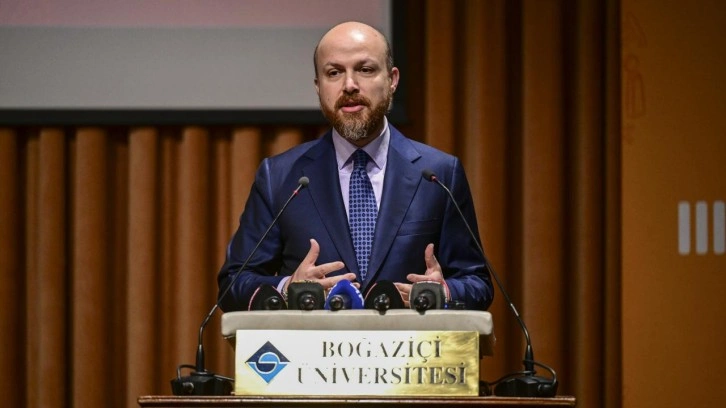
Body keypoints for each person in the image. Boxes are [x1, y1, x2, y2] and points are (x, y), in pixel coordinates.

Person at [217, 21, 493, 312]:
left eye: (365, 69)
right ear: (318, 87)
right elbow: (234, 284)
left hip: (411, 341)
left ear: (392, 80)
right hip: (315, 342)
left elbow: (477, 283)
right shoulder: (281, 177)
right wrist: (288, 288)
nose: (349, 85)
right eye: (334, 73)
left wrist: (442, 292)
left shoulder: (438, 174)